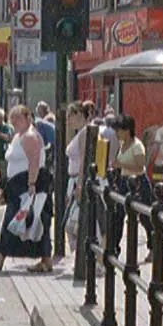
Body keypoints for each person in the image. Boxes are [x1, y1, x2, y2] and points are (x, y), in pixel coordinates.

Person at [0, 105, 53, 273]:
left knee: (26, 220)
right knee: (19, 221)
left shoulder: (30, 136)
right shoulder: (19, 135)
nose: (14, 121)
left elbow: (34, 162)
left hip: (28, 186)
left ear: (28, 118)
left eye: (18, 118)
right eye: (12, 117)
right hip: (17, 185)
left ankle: (2, 258)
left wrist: (31, 184)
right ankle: (2, 257)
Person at [111, 115, 153, 257]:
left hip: (138, 182)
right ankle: (115, 248)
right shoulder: (122, 145)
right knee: (118, 216)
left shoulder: (137, 146)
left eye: (119, 130)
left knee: (144, 217)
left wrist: (120, 164)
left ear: (127, 130)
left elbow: (140, 166)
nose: (117, 133)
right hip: (124, 181)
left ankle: (153, 246)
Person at [62, 102, 92, 253]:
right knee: (72, 223)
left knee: (73, 225)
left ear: (79, 114)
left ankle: (82, 258)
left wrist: (80, 185)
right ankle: (79, 257)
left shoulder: (85, 133)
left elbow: (83, 161)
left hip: (77, 180)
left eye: (70, 115)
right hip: (72, 181)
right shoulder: (79, 133)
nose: (68, 119)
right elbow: (68, 148)